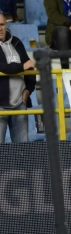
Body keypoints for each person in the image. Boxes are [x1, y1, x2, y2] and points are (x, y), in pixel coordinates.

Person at [0, 13, 36, 143]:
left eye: (2, 25)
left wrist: (29, 90)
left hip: (20, 103)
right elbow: (3, 67)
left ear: (6, 25)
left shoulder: (16, 42)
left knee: (22, 149)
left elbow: (30, 67)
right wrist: (22, 66)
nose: (0, 28)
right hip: (1, 105)